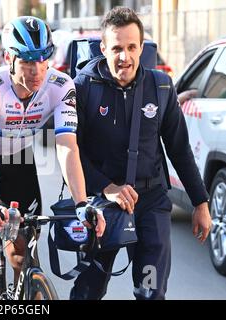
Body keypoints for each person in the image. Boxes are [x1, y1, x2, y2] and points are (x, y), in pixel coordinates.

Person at [0, 16, 106, 300]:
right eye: (26, 62)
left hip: (19, 156)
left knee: (21, 248)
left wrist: (82, 203)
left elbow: (67, 146)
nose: (36, 71)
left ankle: (20, 291)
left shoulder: (61, 86)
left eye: (42, 60)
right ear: (8, 57)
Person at [71, 7, 212, 300]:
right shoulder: (84, 87)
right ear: (103, 49)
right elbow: (71, 153)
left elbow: (179, 148)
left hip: (150, 203)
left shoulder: (160, 87)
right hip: (101, 205)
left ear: (141, 45)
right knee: (89, 291)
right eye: (117, 48)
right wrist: (105, 187)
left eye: (132, 47)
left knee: (150, 291)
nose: (125, 57)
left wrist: (200, 202)